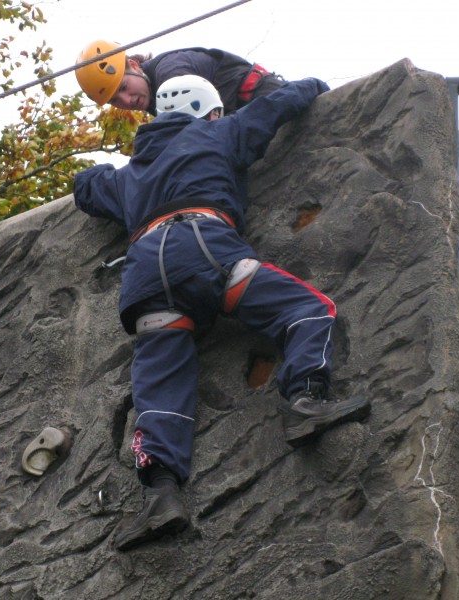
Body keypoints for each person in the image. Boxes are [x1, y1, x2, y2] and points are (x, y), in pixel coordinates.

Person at [73, 74, 371, 551]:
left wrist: (111, 173)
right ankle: (305, 402)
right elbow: (279, 105)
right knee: (307, 310)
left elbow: (85, 188)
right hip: (204, 247)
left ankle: (160, 494)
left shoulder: (129, 176)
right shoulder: (219, 132)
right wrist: (314, 82)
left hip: (147, 271)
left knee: (159, 386)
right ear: (211, 111)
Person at [74, 39, 285, 115]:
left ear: (134, 66)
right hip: (243, 111)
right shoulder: (152, 96)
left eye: (123, 87)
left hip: (263, 98)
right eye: (115, 101)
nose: (127, 100)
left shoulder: (170, 75)